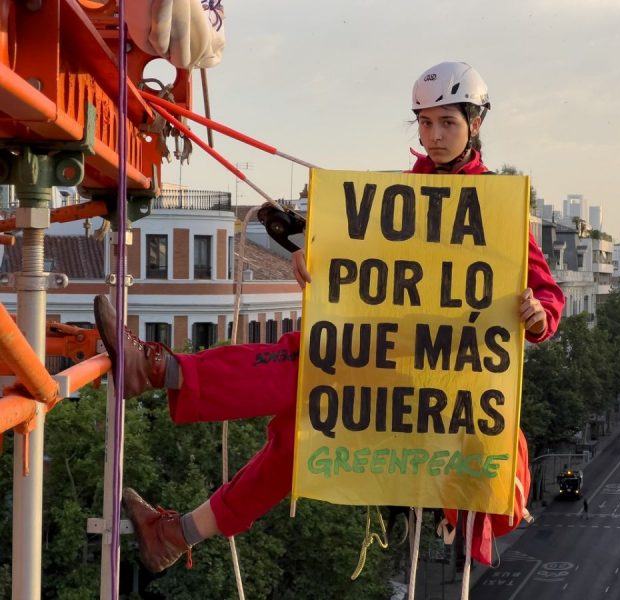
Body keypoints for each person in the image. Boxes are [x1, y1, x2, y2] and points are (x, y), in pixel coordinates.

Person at [100, 61, 565, 574]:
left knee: (308, 363)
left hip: (444, 386)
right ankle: (175, 534)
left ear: (475, 124)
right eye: (425, 123)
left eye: (447, 123)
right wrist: (315, 258)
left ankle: (162, 371)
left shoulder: (495, 208)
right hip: (389, 362)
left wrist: (538, 315)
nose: (434, 136)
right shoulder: (399, 195)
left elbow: (548, 295)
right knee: (296, 440)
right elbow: (364, 262)